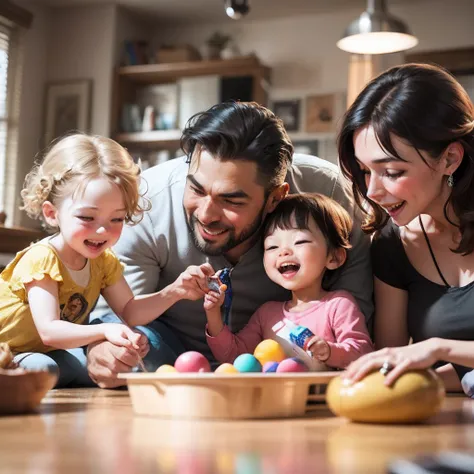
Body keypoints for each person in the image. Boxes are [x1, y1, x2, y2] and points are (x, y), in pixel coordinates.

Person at [88, 101, 373, 388]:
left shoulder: (333, 196)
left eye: (231, 201)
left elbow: (356, 321)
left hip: (287, 375)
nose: (206, 214)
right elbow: (120, 314)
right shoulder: (145, 206)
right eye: (196, 189)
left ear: (276, 198)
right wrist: (103, 348)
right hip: (169, 360)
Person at [0, 134, 221, 387]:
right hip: (9, 349)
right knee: (45, 368)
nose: (102, 231)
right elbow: (49, 331)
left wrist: (175, 291)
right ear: (52, 213)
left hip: (40, 352)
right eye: (86, 218)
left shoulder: (103, 262)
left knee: (94, 371)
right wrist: (106, 330)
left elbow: (130, 311)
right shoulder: (42, 259)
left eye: (116, 219)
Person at [337, 63, 474, 395]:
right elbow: (392, 364)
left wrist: (440, 348)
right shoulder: (391, 245)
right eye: (365, 171)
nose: (371, 191)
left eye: (392, 172)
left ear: (450, 159)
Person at [204, 193, 374, 368]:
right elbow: (234, 356)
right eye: (272, 246)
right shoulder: (266, 314)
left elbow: (363, 353)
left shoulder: (338, 305)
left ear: (334, 258)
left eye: (299, 241)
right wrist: (213, 313)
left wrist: (329, 351)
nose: (283, 251)